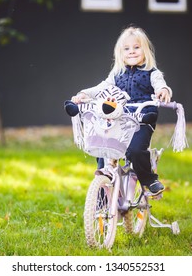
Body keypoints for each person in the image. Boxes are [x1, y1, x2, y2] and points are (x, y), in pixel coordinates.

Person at [69, 25, 172, 196]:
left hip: (142, 119)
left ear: (145, 50)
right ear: (120, 53)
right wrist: (84, 93)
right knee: (103, 148)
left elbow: (161, 85)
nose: (132, 51)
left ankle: (149, 179)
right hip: (119, 119)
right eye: (127, 48)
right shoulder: (117, 74)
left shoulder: (151, 72)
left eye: (136, 47)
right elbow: (102, 87)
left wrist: (163, 91)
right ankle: (101, 194)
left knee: (136, 151)